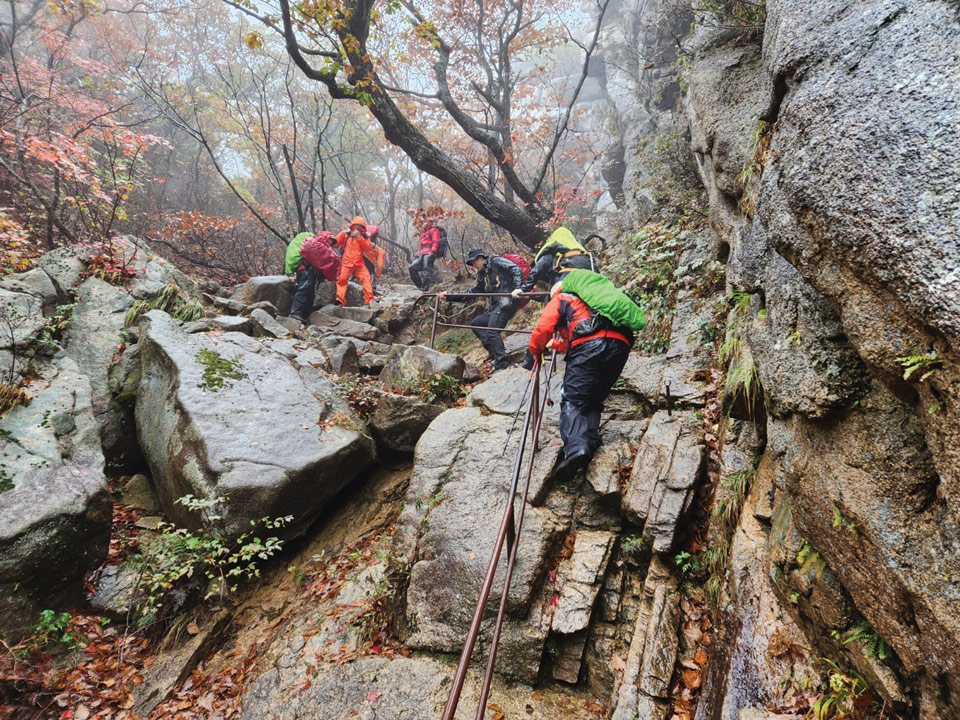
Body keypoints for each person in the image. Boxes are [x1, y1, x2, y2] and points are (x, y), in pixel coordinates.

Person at [523, 281, 632, 481]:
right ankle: (589, 442)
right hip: (620, 346)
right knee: (593, 399)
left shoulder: (564, 297)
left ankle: (576, 448)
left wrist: (535, 351)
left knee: (572, 399)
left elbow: (544, 326)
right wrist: (556, 344)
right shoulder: (597, 306)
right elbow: (584, 334)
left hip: (590, 346)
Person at [441, 248, 523, 371]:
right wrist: (449, 296)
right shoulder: (482, 275)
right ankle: (493, 352)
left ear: (481, 258)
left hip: (506, 303)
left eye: (474, 262)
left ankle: (501, 363)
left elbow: (516, 269)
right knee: (477, 323)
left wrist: (517, 288)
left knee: (491, 330)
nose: (473, 266)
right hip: (495, 306)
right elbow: (470, 294)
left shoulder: (495, 261)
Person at [512, 226, 595, 299]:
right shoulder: (577, 246)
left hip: (572, 269)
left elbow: (541, 260)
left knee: (559, 299)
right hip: (591, 268)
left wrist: (524, 288)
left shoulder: (555, 241)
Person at [285, 230, 337, 322]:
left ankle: (303, 315)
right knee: (304, 290)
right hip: (305, 270)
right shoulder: (317, 245)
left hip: (307, 271)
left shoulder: (316, 246)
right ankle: (294, 313)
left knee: (310, 294)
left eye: (332, 242)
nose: (330, 243)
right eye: (329, 240)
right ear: (325, 237)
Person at [333, 216, 375, 306]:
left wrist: (359, 237)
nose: (358, 227)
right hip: (346, 263)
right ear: (353, 225)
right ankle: (340, 300)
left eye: (360, 226)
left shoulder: (364, 236)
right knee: (342, 279)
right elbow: (335, 243)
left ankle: (370, 300)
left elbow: (367, 248)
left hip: (359, 264)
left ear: (363, 227)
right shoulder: (346, 234)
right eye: (356, 225)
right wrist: (326, 241)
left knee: (367, 279)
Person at [409, 222, 442, 290]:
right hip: (421, 254)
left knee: (427, 270)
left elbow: (436, 241)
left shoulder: (434, 230)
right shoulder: (423, 234)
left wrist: (433, 252)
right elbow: (421, 246)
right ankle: (420, 286)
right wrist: (418, 254)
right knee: (412, 268)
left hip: (429, 252)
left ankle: (425, 288)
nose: (423, 224)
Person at [362, 224, 386, 292]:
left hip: (357, 261)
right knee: (372, 272)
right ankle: (373, 286)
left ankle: (351, 279)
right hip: (369, 264)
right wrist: (377, 276)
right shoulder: (379, 250)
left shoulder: (360, 243)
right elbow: (380, 265)